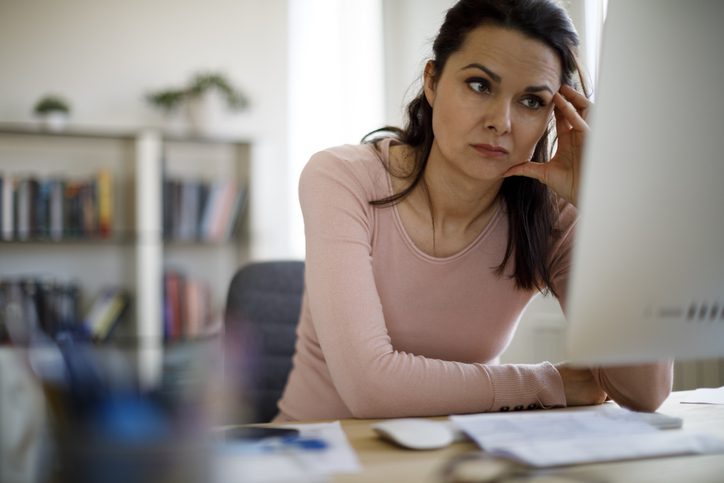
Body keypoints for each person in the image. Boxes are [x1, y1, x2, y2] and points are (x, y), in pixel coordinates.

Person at [274, 0, 673, 422]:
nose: (501, 121)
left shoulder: (551, 215)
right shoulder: (343, 178)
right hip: (320, 457)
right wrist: (550, 384)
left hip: (456, 457)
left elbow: (645, 392)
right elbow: (369, 390)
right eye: (480, 85)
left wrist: (609, 209)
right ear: (432, 81)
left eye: (532, 101)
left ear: (555, 117)